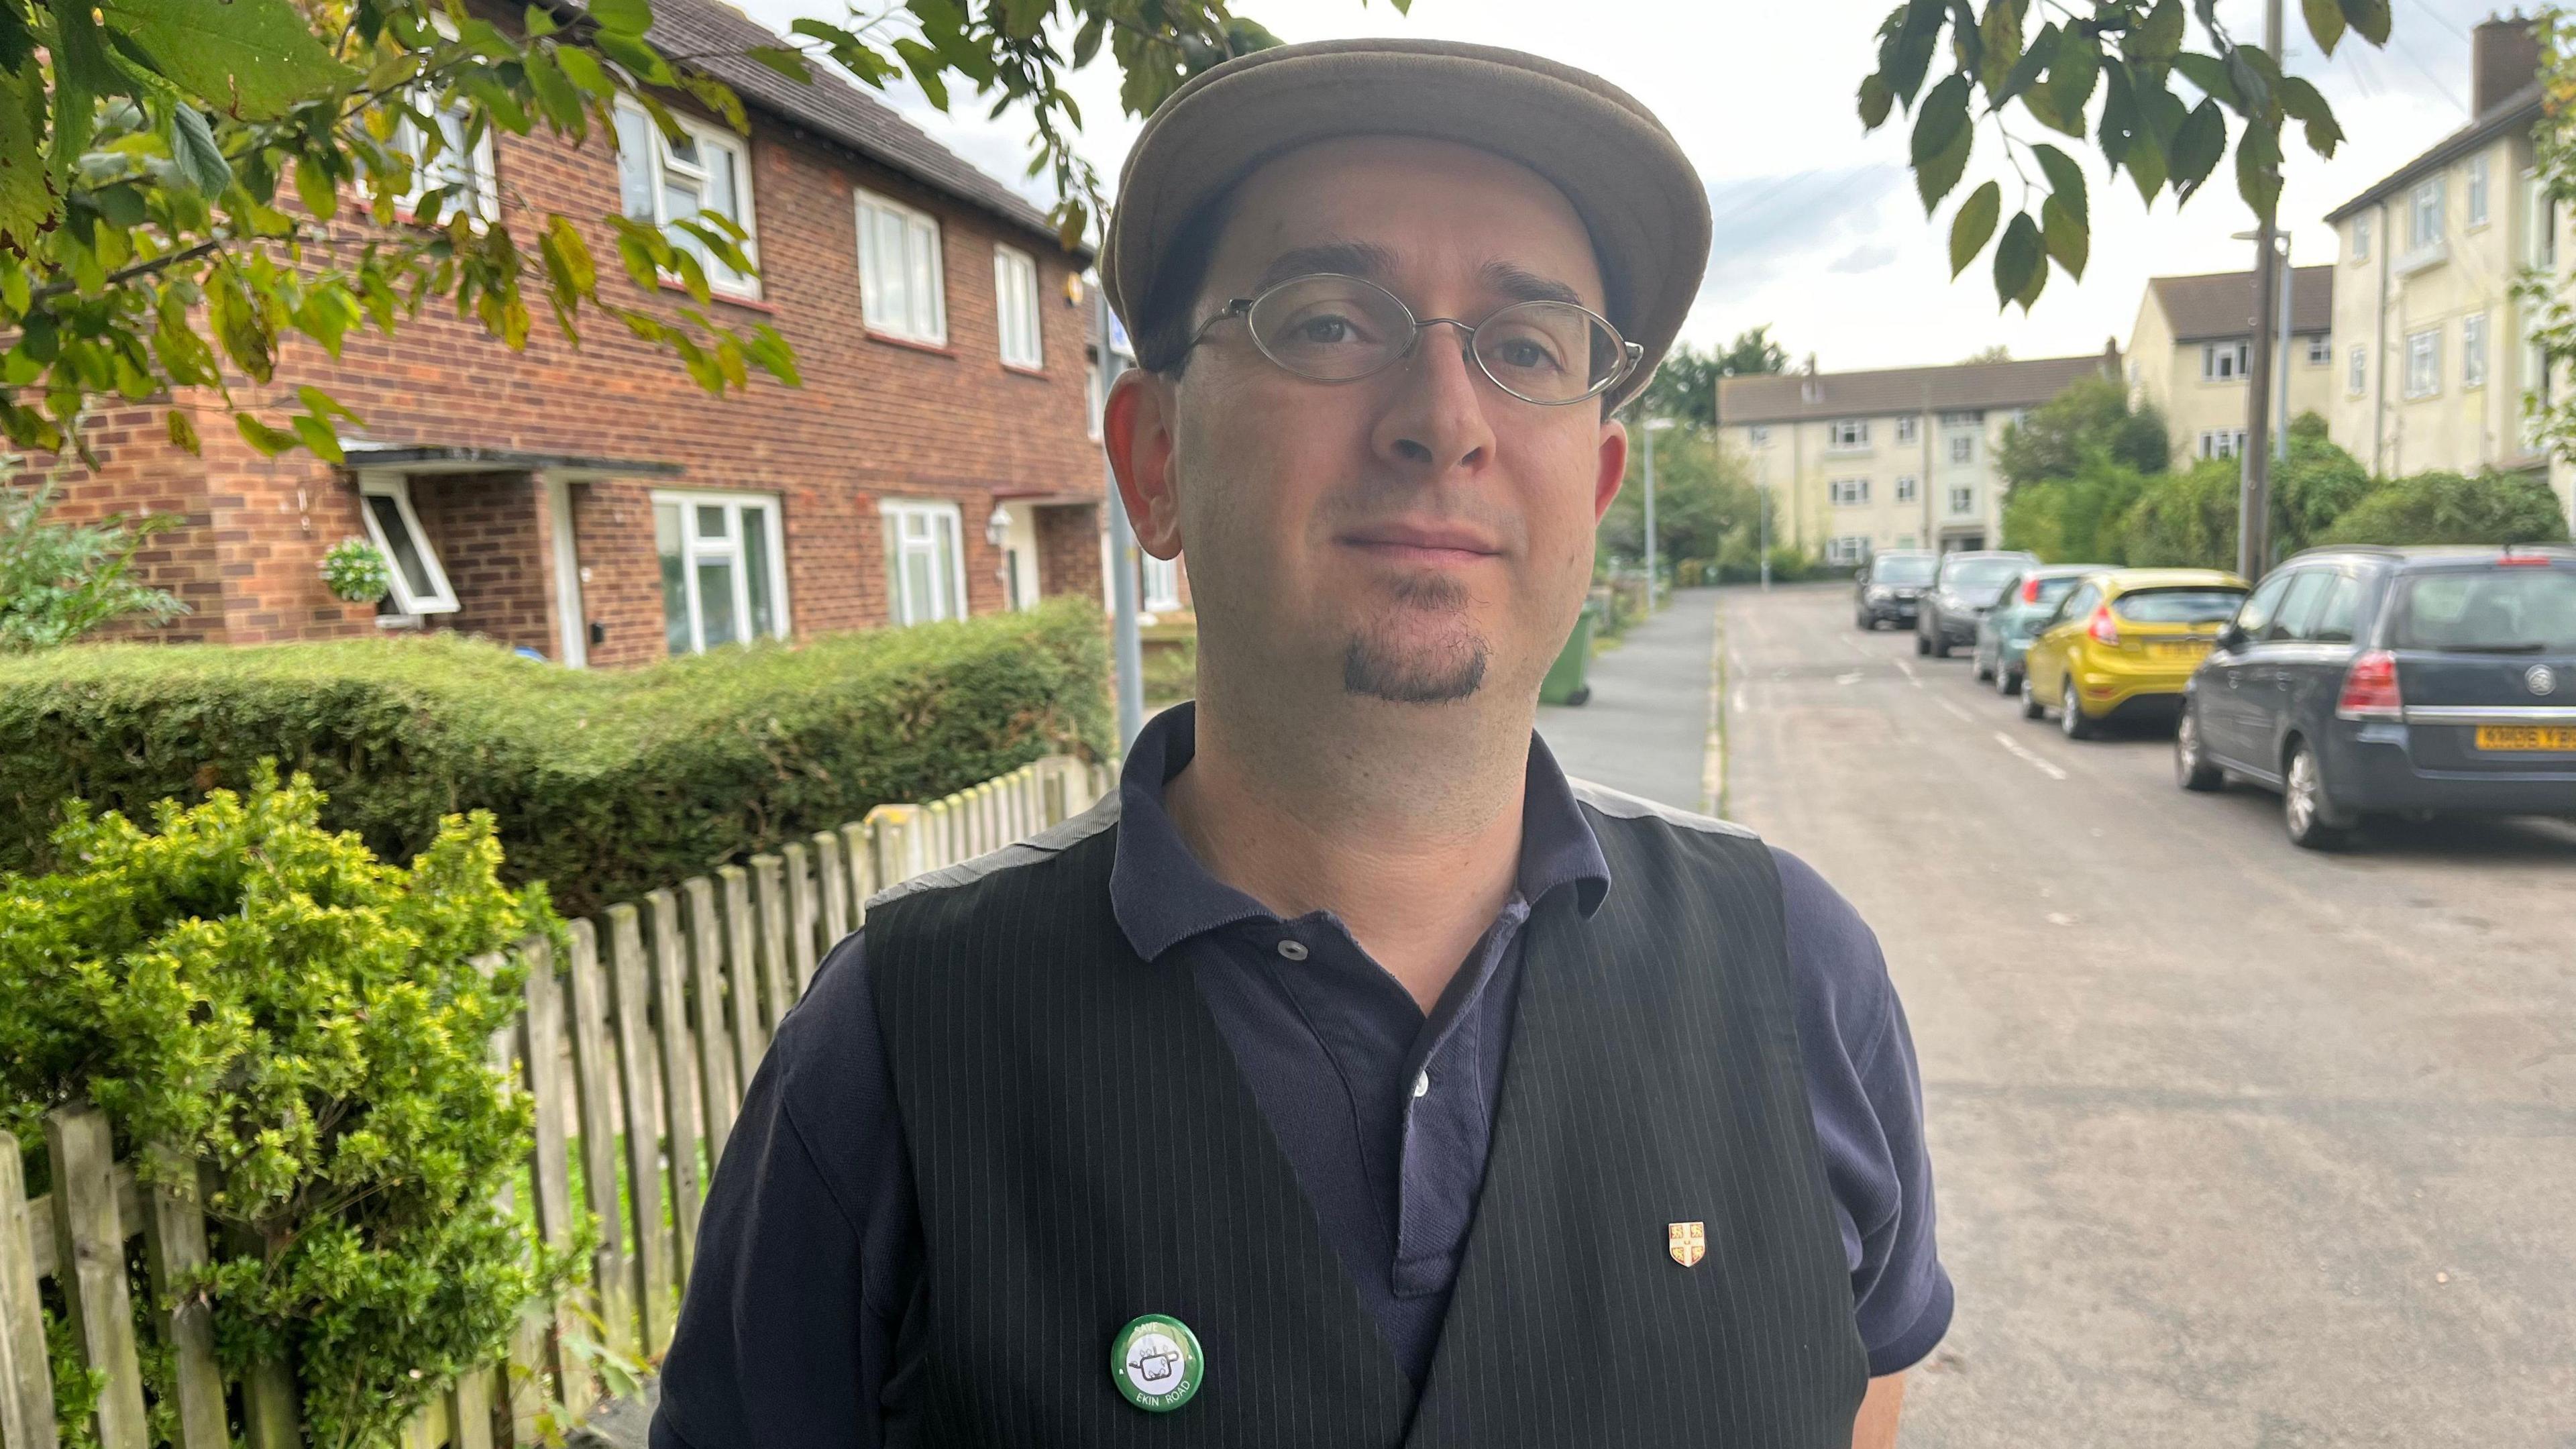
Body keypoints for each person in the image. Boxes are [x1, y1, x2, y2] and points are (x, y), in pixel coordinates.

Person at [652, 37, 1947, 1449]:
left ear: (1597, 481)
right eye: (1331, 321)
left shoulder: (1800, 980)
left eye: (1525, 348)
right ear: (1154, 463)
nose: (1444, 421)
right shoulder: (900, 1042)